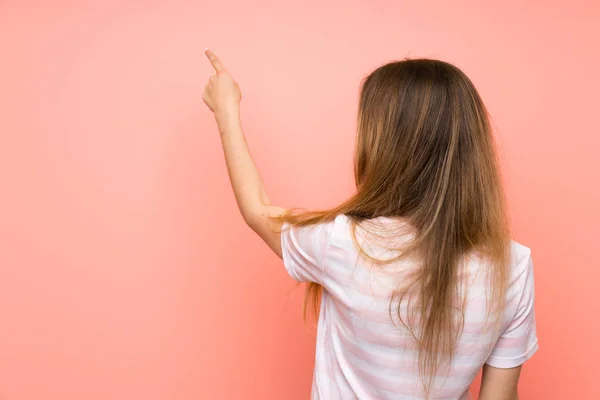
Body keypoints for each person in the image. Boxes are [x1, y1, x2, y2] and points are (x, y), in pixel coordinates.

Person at [201, 49, 538, 400]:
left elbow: (257, 210)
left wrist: (226, 110)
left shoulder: (344, 242)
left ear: (385, 146)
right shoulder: (512, 266)